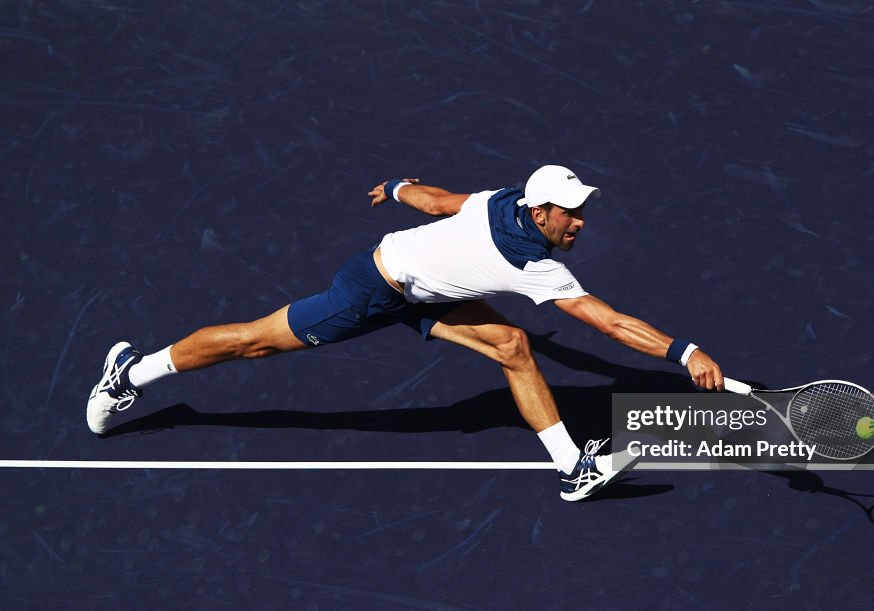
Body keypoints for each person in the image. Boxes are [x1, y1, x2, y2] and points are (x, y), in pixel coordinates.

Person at [86, 165, 724, 501]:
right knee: (255, 339)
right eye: (572, 212)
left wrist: (398, 187)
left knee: (513, 346)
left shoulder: (502, 199)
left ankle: (570, 469)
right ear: (539, 210)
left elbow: (444, 201)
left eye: (583, 210)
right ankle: (132, 375)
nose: (581, 221)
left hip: (426, 292)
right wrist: (684, 352)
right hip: (369, 291)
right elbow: (607, 321)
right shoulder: (533, 266)